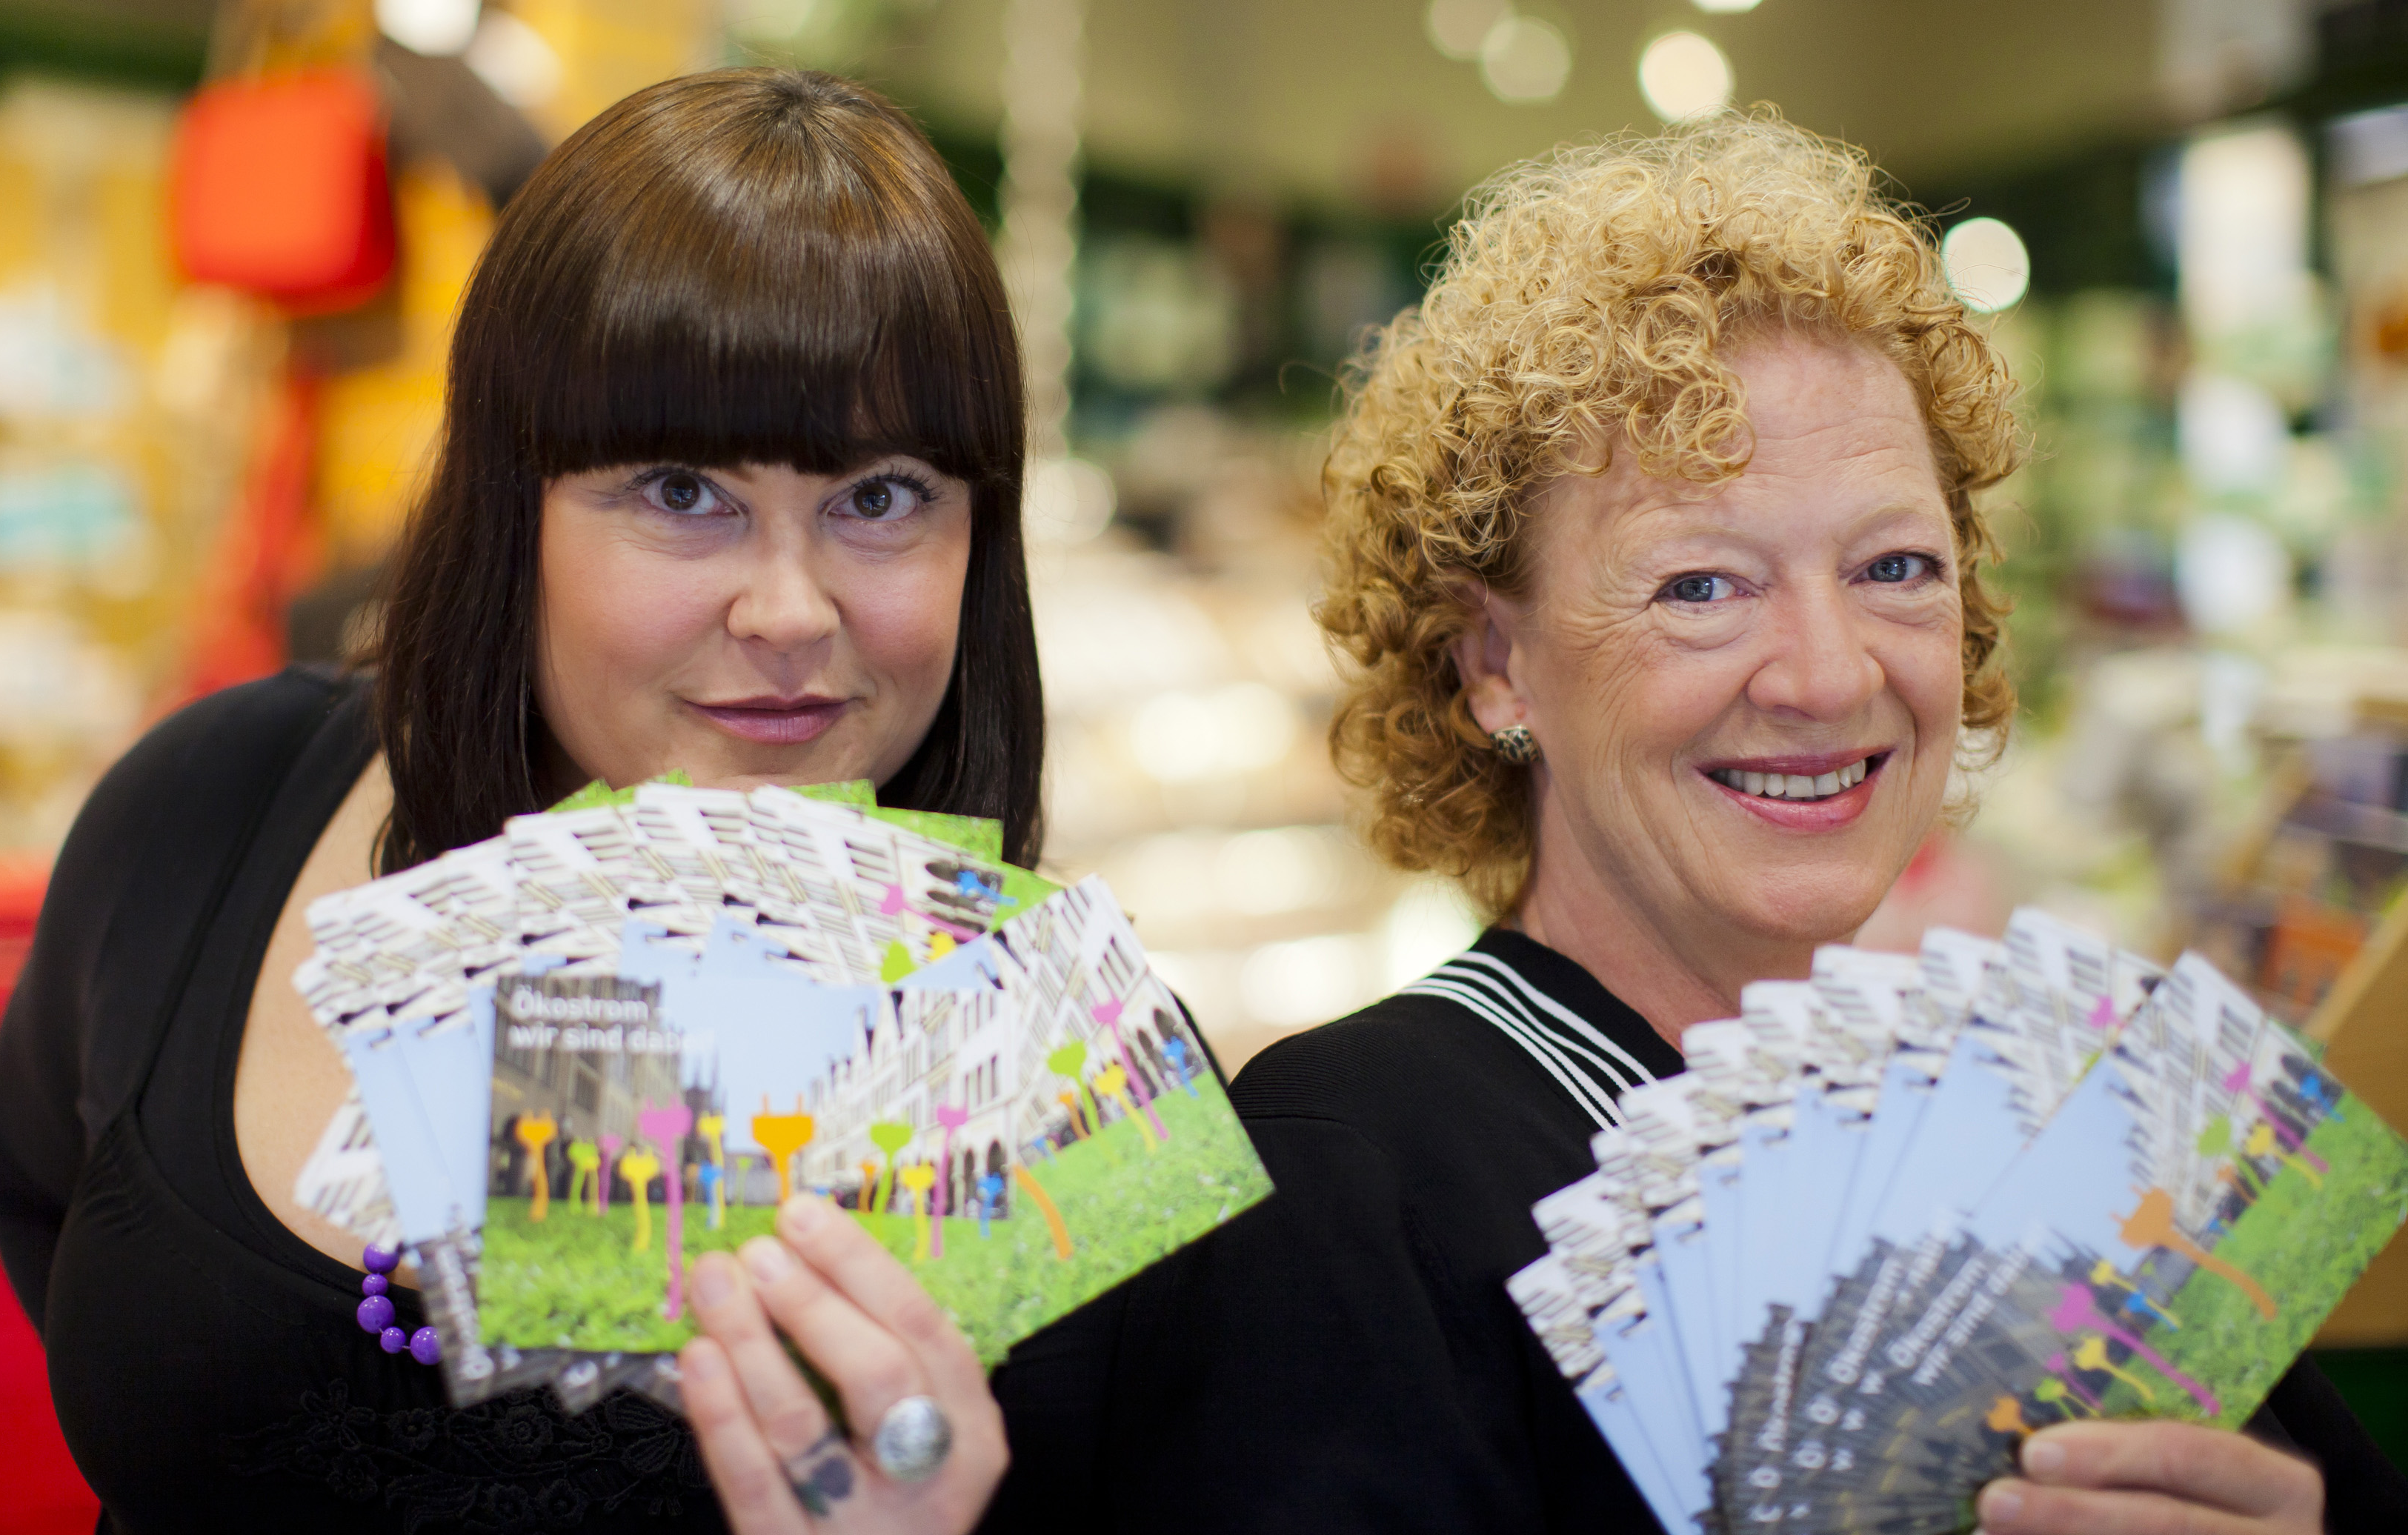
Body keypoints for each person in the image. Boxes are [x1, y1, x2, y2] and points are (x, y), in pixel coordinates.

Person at [983, 113, 2408, 1534]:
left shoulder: (2071, 1135)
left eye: (1894, 567)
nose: (1828, 675)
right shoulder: (1342, 1184)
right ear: (1492, 663)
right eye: (1701, 587)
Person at [0, 69, 1031, 1534]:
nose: (790, 610)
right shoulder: (211, 804)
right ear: (507, 502)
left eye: (880, 497)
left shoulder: (1047, 1076)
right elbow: (45, 1198)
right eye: (681, 492)